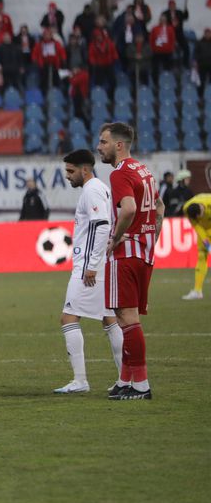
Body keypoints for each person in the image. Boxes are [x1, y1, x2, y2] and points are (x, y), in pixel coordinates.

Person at [53, 149, 124, 394]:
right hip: (98, 263)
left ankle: (80, 380)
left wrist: (92, 265)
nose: (67, 176)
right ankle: (126, 378)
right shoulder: (99, 187)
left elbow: (102, 227)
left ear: (85, 170)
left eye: (71, 171)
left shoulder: (92, 190)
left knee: (68, 317)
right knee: (109, 319)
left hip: (89, 266)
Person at [97, 122, 158, 400]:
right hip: (144, 252)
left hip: (127, 253)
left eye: (103, 142)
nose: (99, 147)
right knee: (124, 316)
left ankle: (141, 385)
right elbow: (159, 208)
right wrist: (151, 238)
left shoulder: (120, 173)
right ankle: (125, 380)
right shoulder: (143, 171)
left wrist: (116, 239)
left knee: (127, 317)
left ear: (118, 145)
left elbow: (129, 209)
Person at [182, 194, 211, 300]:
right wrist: (207, 243)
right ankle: (197, 291)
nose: (198, 219)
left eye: (200, 216)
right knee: (202, 256)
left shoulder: (209, 202)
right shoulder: (187, 209)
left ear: (202, 209)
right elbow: (197, 226)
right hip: (204, 230)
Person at [148, 13, 176, 82]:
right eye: (161, 20)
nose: (162, 21)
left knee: (167, 69)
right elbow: (151, 39)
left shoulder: (170, 28)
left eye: (164, 20)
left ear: (166, 21)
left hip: (167, 52)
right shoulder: (155, 28)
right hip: (157, 52)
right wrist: (152, 48)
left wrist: (171, 49)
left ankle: (167, 82)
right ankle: (156, 82)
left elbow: (173, 39)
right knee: (155, 69)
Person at [195, 28, 211, 93]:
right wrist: (195, 62)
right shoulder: (199, 42)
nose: (207, 35)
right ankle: (200, 95)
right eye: (206, 33)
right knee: (201, 81)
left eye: (209, 33)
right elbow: (196, 53)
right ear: (204, 34)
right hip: (202, 65)